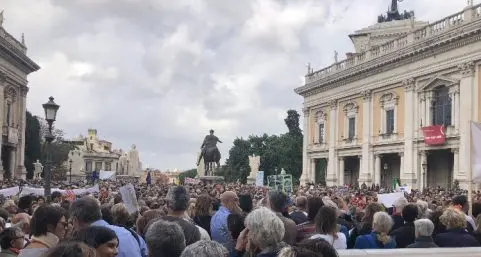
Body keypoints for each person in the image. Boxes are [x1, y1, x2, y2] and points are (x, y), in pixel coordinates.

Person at [70, 197, 147, 257]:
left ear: (75, 220)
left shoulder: (81, 243)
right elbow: (146, 253)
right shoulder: (129, 232)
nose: (116, 251)